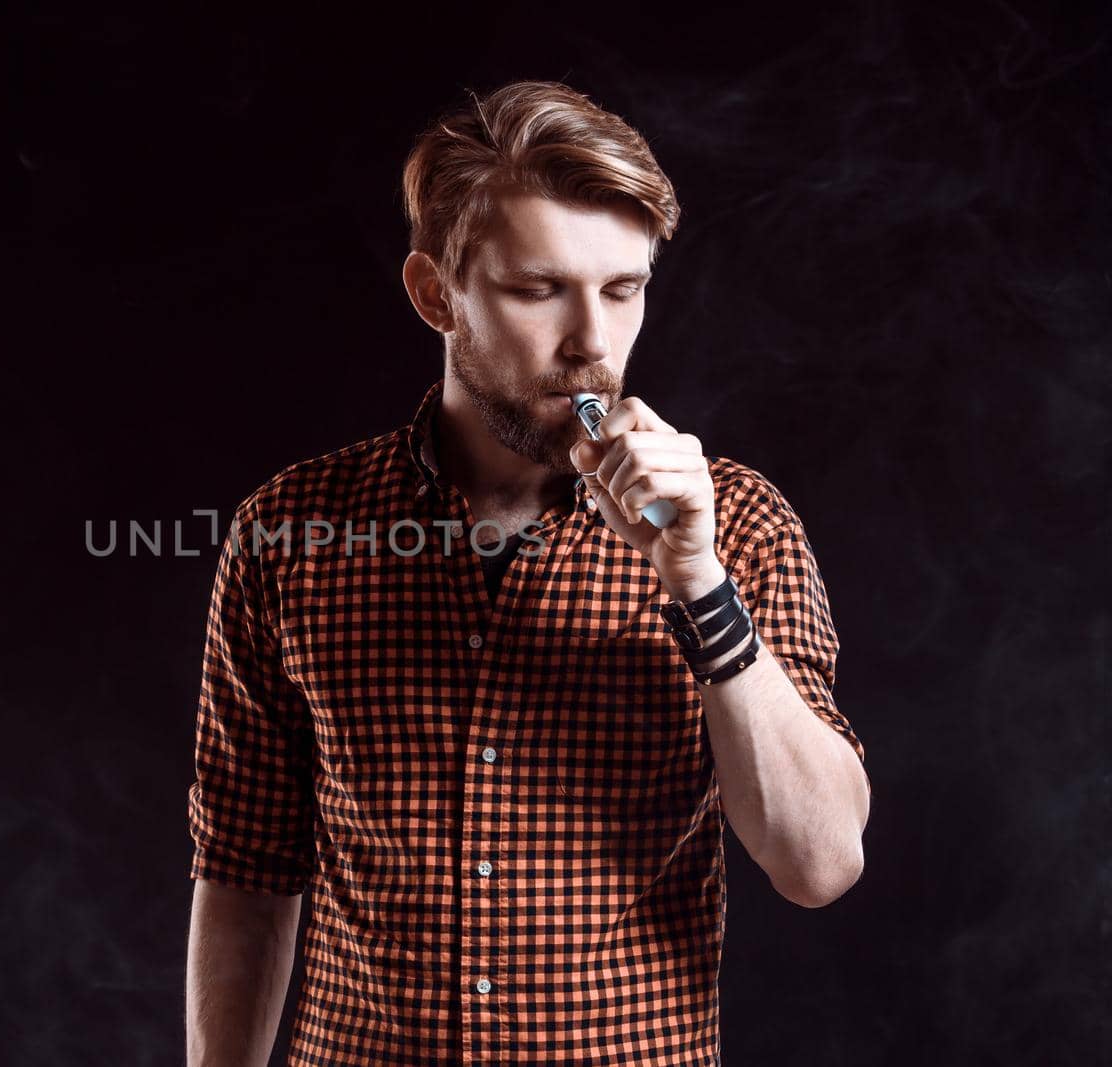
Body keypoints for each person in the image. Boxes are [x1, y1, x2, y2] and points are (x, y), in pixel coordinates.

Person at [185, 79, 871, 1067]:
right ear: (436, 295)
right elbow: (247, 872)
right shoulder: (288, 530)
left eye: (622, 290)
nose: (592, 343)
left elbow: (817, 862)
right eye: (538, 289)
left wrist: (695, 577)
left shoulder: (743, 525)